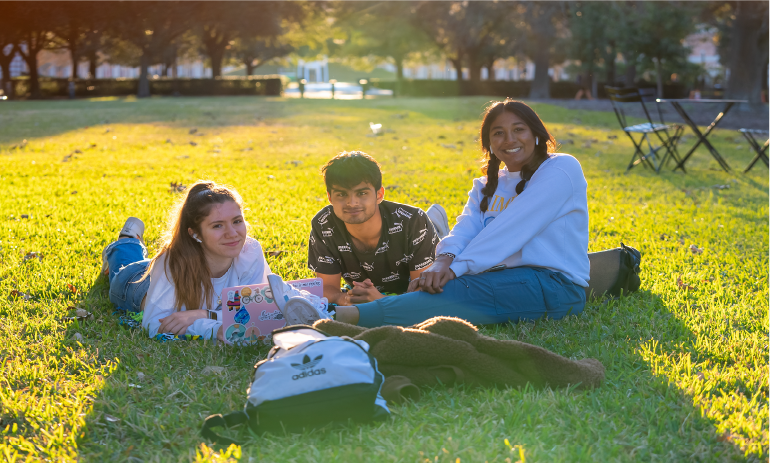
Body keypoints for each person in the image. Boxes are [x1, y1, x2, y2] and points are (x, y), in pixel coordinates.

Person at [273, 99, 589, 329]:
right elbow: (467, 228)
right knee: (436, 287)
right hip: (492, 275)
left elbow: (511, 229)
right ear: (489, 144)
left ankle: (335, 319)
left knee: (458, 291)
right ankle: (335, 309)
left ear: (536, 133)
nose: (509, 140)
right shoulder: (487, 185)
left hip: (552, 284)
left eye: (518, 130)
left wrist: (456, 267)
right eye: (499, 133)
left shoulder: (561, 168)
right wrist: (440, 262)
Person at [100, 181, 271, 340]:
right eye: (218, 225)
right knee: (121, 269)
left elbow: (258, 311)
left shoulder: (250, 251)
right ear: (195, 233)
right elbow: (154, 325)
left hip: (162, 274)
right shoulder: (171, 264)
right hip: (137, 285)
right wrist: (213, 328)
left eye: (237, 221)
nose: (232, 233)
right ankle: (126, 240)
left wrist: (203, 315)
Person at [307, 151, 450, 306]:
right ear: (329, 197)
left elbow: (423, 291)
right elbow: (327, 287)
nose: (352, 203)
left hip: (412, 261)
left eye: (361, 193)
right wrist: (345, 299)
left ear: (379, 194)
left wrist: (382, 301)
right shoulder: (323, 224)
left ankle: (436, 229)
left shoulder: (413, 221)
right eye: (341, 194)